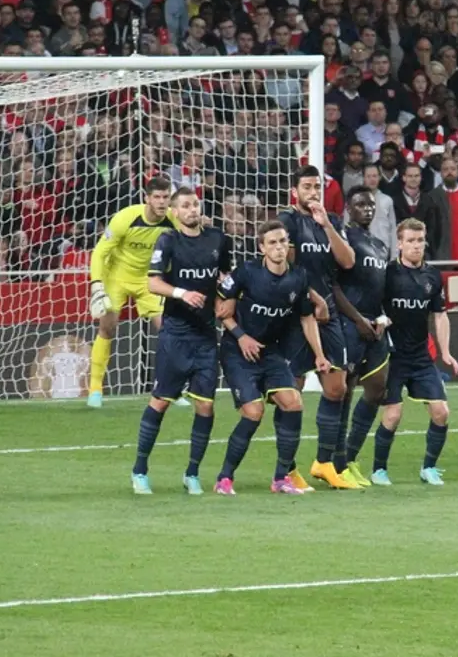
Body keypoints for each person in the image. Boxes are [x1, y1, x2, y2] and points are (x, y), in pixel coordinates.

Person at [212, 220, 330, 495]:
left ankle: (281, 478)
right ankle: (224, 478)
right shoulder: (247, 272)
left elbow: (306, 317)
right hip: (237, 351)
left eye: (283, 241)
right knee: (254, 412)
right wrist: (241, 335)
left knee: (293, 403)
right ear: (262, 248)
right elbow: (220, 307)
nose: (279, 247)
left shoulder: (298, 277)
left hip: (270, 351)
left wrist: (320, 355)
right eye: (272, 243)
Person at [131, 188, 233, 495]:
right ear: (175, 212)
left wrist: (227, 296)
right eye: (185, 205)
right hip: (175, 333)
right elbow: (152, 282)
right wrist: (181, 293)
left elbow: (225, 276)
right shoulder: (168, 241)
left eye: (195, 204)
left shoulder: (218, 239)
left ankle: (192, 473)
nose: (192, 209)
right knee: (161, 400)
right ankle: (139, 470)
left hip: (206, 335)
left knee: (205, 406)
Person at [278, 165, 358, 489]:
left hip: (329, 314)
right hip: (295, 314)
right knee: (292, 392)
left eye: (316, 187)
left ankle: (324, 463)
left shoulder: (331, 221)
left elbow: (348, 261)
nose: (313, 192)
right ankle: (287, 469)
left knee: (337, 387)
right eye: (307, 187)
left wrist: (326, 225)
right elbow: (286, 267)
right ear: (295, 191)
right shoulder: (288, 222)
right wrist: (312, 298)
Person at [370, 218, 458, 485]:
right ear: (399, 243)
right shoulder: (387, 274)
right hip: (392, 356)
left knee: (441, 412)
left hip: (421, 356)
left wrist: (445, 352)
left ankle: (429, 468)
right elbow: (373, 306)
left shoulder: (432, 276)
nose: (416, 245)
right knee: (393, 415)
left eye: (420, 240)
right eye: (410, 240)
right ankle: (378, 470)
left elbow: (440, 315)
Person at [87, 175, 175, 409]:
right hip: (117, 276)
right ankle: (95, 389)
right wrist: (96, 283)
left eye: (166, 197)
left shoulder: (173, 219)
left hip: (148, 279)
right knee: (107, 327)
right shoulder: (125, 218)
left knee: (168, 330)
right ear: (147, 198)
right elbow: (99, 252)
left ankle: (169, 389)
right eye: (157, 197)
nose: (162, 202)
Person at [331, 187, 391, 486]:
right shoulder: (343, 240)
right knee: (345, 391)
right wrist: (357, 319)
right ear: (348, 209)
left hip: (374, 325)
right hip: (349, 324)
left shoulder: (380, 245)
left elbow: (379, 288)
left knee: (378, 389)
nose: (367, 209)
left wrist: (381, 318)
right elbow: (334, 286)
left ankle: (350, 456)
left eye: (370, 204)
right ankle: (337, 463)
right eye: (360, 204)